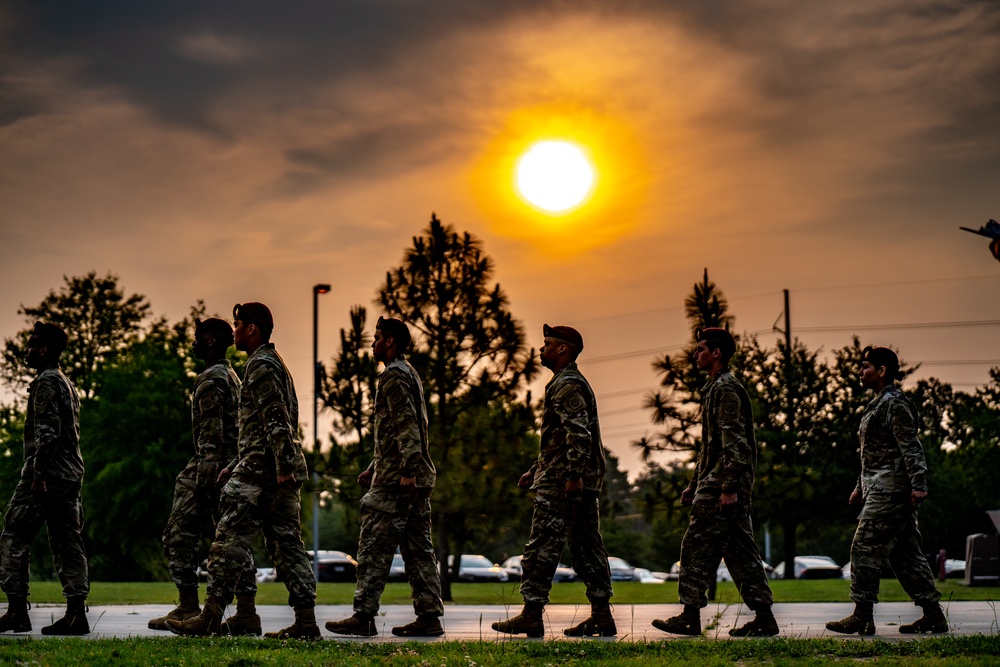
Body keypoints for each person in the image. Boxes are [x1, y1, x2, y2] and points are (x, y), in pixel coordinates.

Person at [168, 303, 318, 639]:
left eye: (237, 325)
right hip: (265, 466)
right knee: (287, 545)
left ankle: (209, 617)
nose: (233, 331)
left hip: (261, 472)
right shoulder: (267, 363)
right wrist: (236, 463)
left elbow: (276, 418)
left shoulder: (260, 365)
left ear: (252, 329)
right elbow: (259, 427)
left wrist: (277, 466)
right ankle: (306, 622)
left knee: (228, 541)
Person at [492, 324, 616, 638]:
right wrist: (536, 468)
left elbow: (578, 434)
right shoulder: (565, 382)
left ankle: (531, 614)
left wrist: (572, 476)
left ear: (563, 349)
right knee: (588, 549)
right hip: (568, 477)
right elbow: (559, 440)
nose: (541, 348)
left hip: (564, 483)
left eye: (547, 343)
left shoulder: (567, 383)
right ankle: (601, 616)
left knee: (541, 547)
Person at [652, 327, 777, 638]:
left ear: (716, 353)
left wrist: (729, 487)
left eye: (700, 349)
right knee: (739, 552)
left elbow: (734, 443)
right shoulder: (714, 388)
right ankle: (764, 617)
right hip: (717, 479)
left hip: (724, 481)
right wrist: (694, 483)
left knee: (695, 545)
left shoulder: (725, 389)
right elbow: (710, 445)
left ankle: (690, 616)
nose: (695, 355)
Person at [325, 316, 444, 638]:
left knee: (373, 549)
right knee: (419, 552)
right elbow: (397, 431)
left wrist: (404, 472)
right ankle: (429, 616)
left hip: (398, 482)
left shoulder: (393, 375)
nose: (373, 344)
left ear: (390, 341)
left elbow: (406, 427)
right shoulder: (409, 373)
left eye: (377, 338)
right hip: (407, 476)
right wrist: (375, 466)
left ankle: (363, 616)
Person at [148, 318, 259, 635]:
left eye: (199, 337)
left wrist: (204, 480)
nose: (194, 342)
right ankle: (246, 612)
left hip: (211, 469)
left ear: (211, 341)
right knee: (232, 543)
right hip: (231, 469)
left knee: (177, 533)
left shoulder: (212, 379)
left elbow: (211, 434)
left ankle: (187, 604)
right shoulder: (232, 376)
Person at [826, 345, 947, 635]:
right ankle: (933, 615)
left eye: (865, 366)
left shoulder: (894, 403)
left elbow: (910, 446)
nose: (860, 371)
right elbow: (874, 454)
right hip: (879, 487)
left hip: (891, 490)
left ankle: (862, 615)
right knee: (905, 554)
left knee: (864, 546)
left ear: (881, 372)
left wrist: (919, 484)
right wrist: (859, 487)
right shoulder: (878, 403)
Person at [0, 322, 89, 635]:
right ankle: (77, 614)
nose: (27, 350)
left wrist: (37, 475)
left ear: (46, 349)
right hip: (70, 474)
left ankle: (15, 611)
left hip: (47, 474)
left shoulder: (46, 382)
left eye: (33, 344)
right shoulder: (65, 382)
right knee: (68, 543)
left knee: (14, 533)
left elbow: (47, 435)